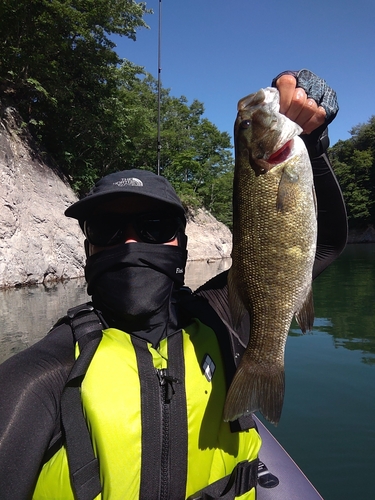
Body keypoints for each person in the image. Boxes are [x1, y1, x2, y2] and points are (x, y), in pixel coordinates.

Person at [0, 70, 347, 500]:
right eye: (107, 228)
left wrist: (311, 142)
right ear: (88, 248)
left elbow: (323, 243)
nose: (129, 243)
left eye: (153, 226)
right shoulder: (40, 377)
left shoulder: (220, 314)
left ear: (180, 246)